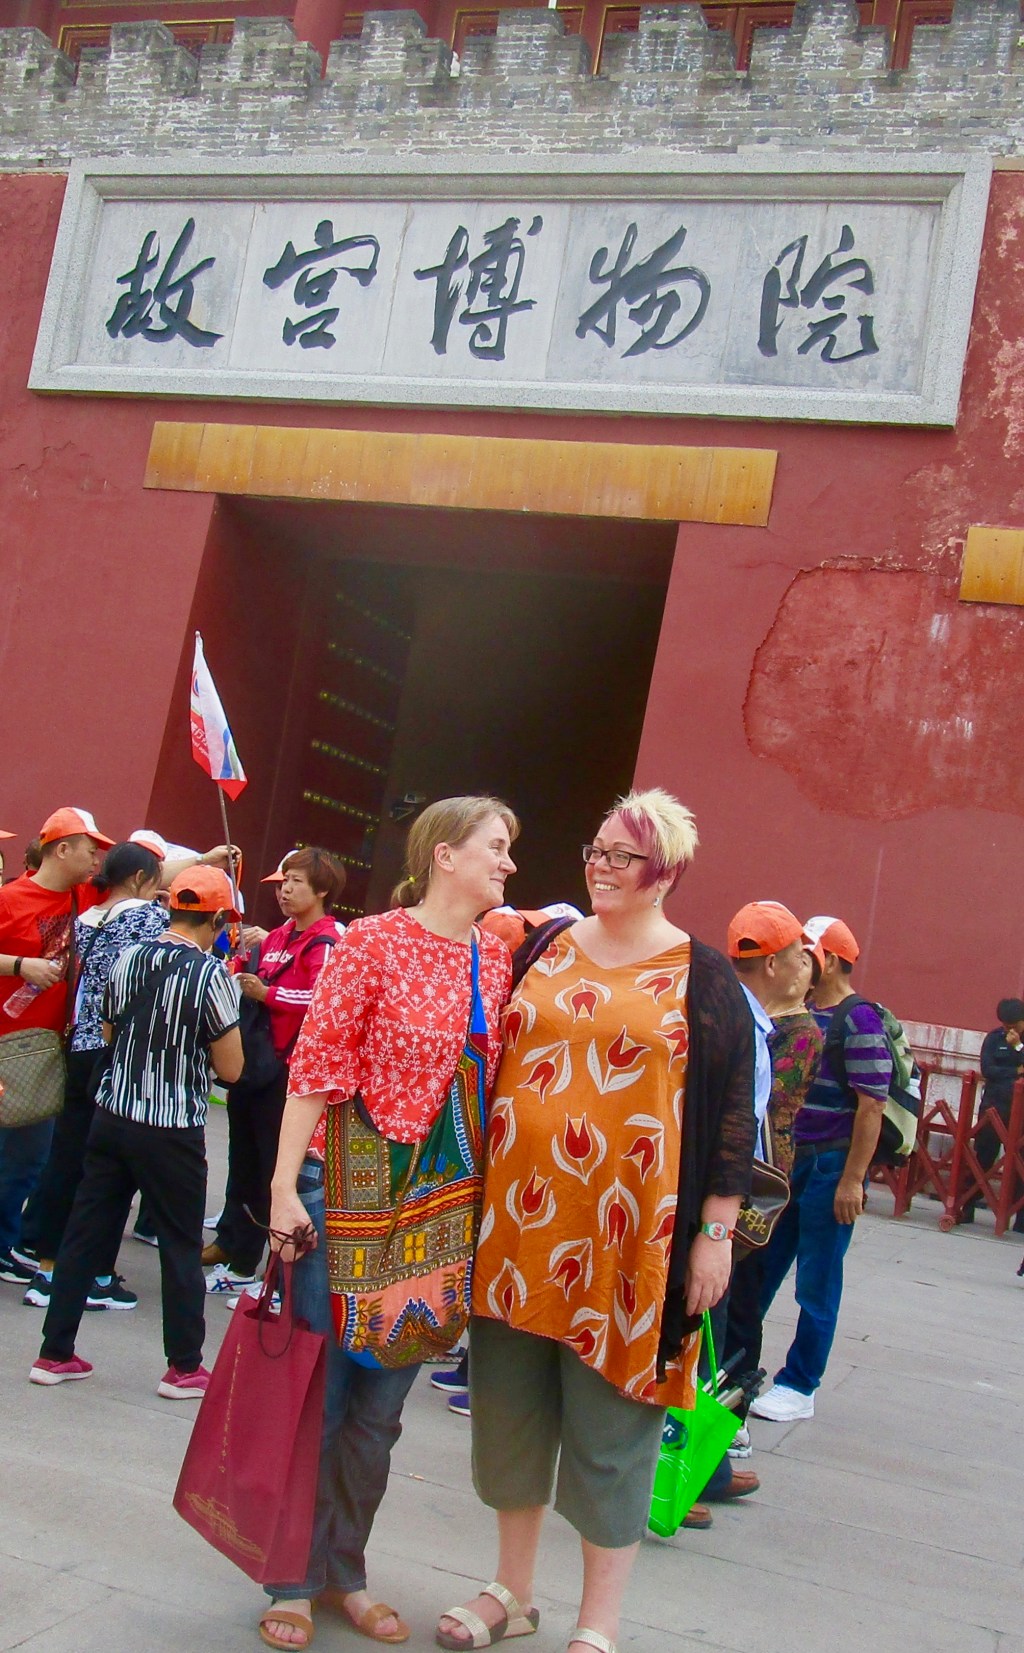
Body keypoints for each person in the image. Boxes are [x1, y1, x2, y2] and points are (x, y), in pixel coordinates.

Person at [438, 787, 755, 1653]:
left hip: (629, 1242)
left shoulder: (702, 975)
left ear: (666, 872)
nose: (602, 866)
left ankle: (598, 1621)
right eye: (597, 849)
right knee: (508, 1415)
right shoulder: (544, 944)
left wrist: (715, 1233)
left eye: (623, 855)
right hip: (516, 1231)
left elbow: (735, 1111)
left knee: (613, 1429)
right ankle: (512, 1590)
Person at [259, 795, 518, 1653]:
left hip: (439, 1214)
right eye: (496, 846)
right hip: (349, 1193)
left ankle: (346, 1570)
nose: (508, 862)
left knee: (380, 1412)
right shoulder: (371, 941)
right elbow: (315, 1066)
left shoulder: (492, 957)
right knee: (323, 1400)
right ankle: (292, 1577)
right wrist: (283, 1189)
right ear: (445, 854)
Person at [28, 866, 243, 1395]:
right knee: (180, 1243)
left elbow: (107, 1029)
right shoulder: (211, 975)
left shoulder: (129, 957)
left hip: (112, 1115)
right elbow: (232, 1068)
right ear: (217, 919)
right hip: (171, 1128)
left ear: (172, 908)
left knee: (85, 1232)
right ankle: (184, 1366)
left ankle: (54, 1353)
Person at [751, 915, 891, 1423]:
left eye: (806, 953)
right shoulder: (803, 1014)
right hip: (790, 1161)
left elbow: (872, 1105)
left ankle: (800, 1384)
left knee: (817, 1279)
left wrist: (852, 1180)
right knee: (758, 1271)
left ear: (828, 961)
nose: (797, 962)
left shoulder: (860, 1020)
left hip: (831, 1163)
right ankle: (737, 1371)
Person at [19, 840, 167, 1307]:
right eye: (155, 883)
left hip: (75, 1045)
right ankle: (93, 1274)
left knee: (66, 1159)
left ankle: (47, 1268)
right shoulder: (148, 919)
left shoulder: (83, 917)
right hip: (116, 1052)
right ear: (140, 880)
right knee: (108, 1171)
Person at [204, 846, 346, 1291]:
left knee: (273, 1169)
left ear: (321, 890)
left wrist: (268, 995)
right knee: (243, 1161)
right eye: (284, 882)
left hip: (287, 1072)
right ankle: (236, 1252)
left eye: (296, 882)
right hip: (254, 1066)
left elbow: (324, 1001)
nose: (285, 891)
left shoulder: (327, 941)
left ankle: (269, 1274)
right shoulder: (277, 937)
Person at [0, 807, 114, 1286]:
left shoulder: (82, 894)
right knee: (20, 1154)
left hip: (45, 1052)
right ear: (62, 848)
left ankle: (4, 1244)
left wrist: (207, 860)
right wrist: (19, 965)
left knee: (28, 1157)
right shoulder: (9, 898)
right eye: (90, 849)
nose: (96, 860)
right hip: (8, 1045)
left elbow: (147, 873)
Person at [723, 903, 825, 1401]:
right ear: (772, 965)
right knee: (730, 1297)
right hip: (738, 1173)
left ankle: (730, 1407)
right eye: (796, 957)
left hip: (761, 1175)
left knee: (743, 1294)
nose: (802, 966)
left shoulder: (801, 1033)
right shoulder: (749, 1019)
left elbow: (774, 1100)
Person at [961, 997, 1024, 1231]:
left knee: (1020, 1162)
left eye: (1014, 1026)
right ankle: (967, 1205)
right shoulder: (994, 1039)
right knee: (983, 1156)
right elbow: (988, 1069)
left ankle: (1019, 1217)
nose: (1010, 1031)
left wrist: (1018, 1047)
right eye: (1006, 1026)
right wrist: (1015, 1071)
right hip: (994, 1105)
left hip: (1021, 1110)